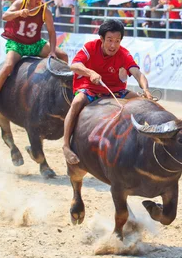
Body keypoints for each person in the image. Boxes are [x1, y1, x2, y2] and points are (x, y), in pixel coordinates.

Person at [62, 19, 153, 164]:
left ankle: (149, 144)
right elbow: (74, 66)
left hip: (115, 91)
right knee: (77, 102)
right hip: (90, 88)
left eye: (117, 41)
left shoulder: (123, 53)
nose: (113, 45)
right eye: (109, 40)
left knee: (144, 105)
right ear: (102, 39)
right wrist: (90, 72)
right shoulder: (91, 47)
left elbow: (137, 73)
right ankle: (66, 145)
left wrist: (146, 90)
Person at [0, 0, 68, 113]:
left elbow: (52, 32)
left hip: (35, 43)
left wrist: (52, 51)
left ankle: (63, 88)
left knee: (63, 55)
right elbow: (5, 16)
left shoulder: (44, 11)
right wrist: (19, 13)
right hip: (17, 43)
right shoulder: (20, 3)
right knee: (7, 66)